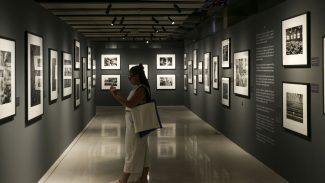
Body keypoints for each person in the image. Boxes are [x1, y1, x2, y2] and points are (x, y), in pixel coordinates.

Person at [109, 64, 151, 183]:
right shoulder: (140, 88)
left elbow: (130, 104)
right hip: (137, 124)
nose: (129, 79)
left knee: (132, 150)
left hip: (136, 125)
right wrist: (115, 95)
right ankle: (143, 178)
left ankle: (124, 180)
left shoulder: (141, 89)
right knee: (143, 150)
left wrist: (115, 94)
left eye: (130, 76)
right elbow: (128, 104)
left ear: (137, 76)